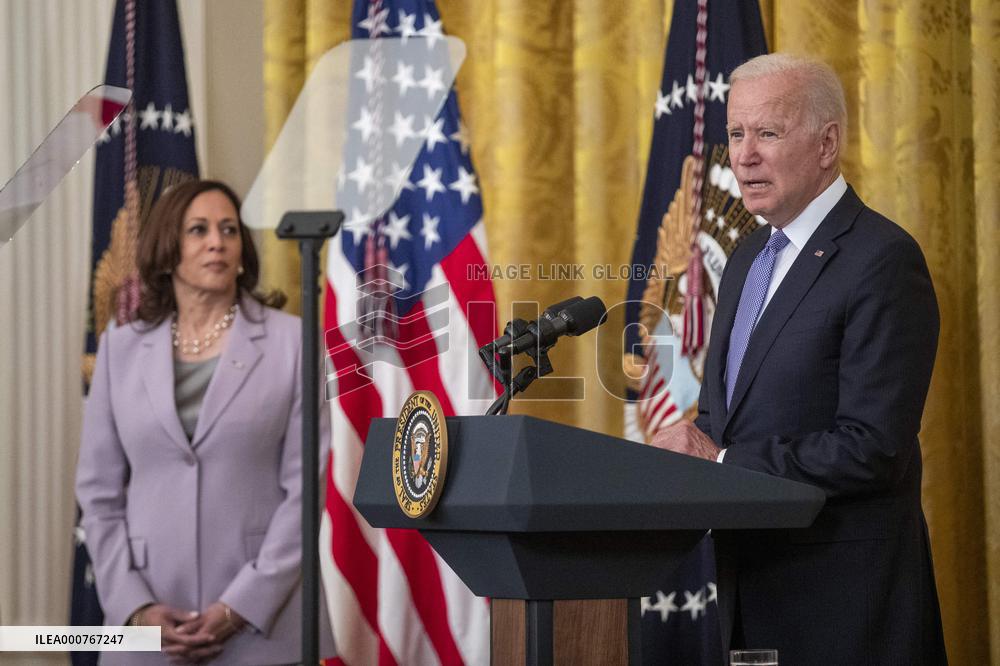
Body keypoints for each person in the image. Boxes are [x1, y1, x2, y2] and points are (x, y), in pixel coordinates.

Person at [651, 54, 947, 663]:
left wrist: (725, 460)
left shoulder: (882, 259)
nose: (743, 156)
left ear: (827, 143)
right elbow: (722, 419)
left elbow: (874, 447)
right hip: (747, 594)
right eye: (735, 134)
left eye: (767, 132)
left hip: (844, 612)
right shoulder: (744, 259)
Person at [75, 179, 335, 664]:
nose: (217, 241)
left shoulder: (293, 342)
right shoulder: (121, 346)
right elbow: (97, 493)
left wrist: (239, 606)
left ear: (242, 250)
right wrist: (136, 608)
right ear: (167, 249)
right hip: (147, 629)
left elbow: (308, 491)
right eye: (198, 230)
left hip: (264, 625)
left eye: (229, 229)